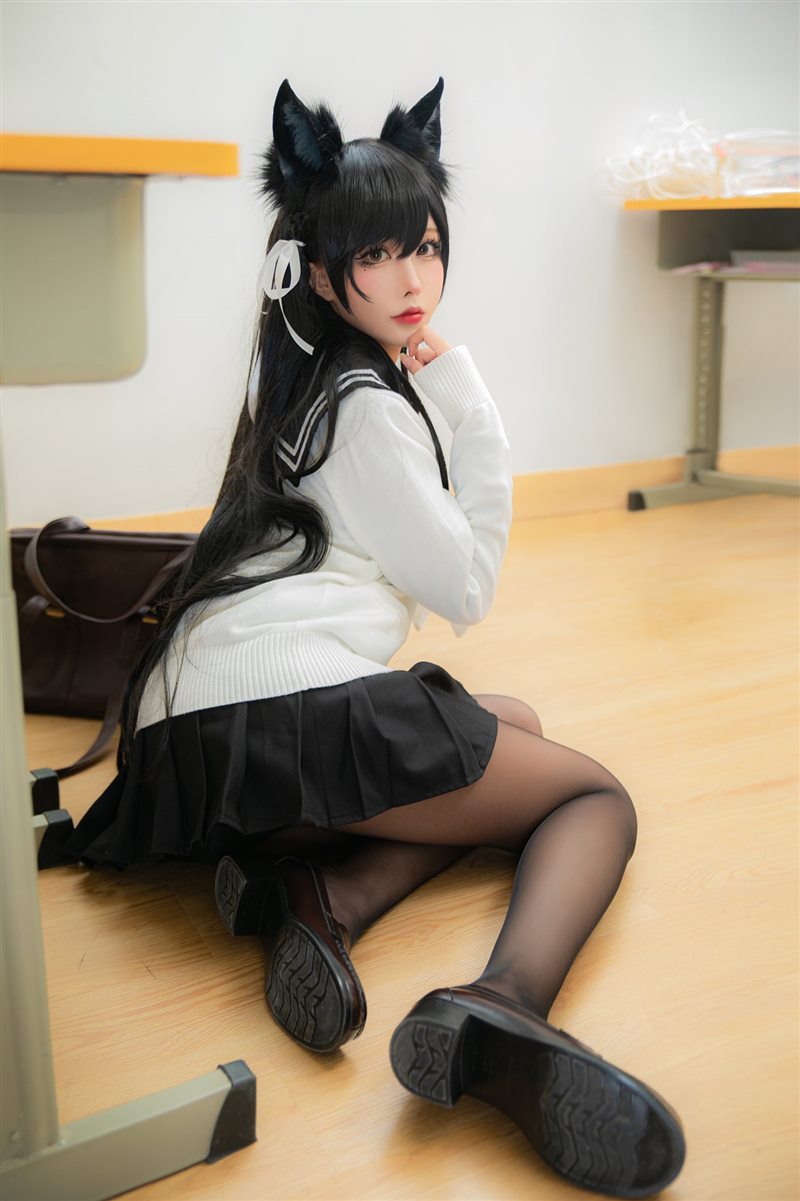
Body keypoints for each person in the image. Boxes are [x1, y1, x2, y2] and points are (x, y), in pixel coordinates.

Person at [65, 76, 685, 1198]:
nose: (412, 281)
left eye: (427, 247)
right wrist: (468, 403)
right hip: (283, 715)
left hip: (196, 743)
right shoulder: (367, 409)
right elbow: (467, 587)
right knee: (592, 797)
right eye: (378, 254)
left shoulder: (291, 378)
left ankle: (319, 897)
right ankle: (502, 1002)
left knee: (511, 721)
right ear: (319, 270)